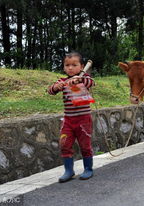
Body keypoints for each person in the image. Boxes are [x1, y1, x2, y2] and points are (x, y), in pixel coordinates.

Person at [48, 51, 95, 183]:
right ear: (63, 67)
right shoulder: (63, 81)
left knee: (85, 146)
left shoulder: (84, 79)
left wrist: (80, 79)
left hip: (84, 120)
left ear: (81, 66)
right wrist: (56, 87)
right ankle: (69, 170)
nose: (70, 68)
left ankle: (88, 169)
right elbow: (50, 91)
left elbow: (92, 83)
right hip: (68, 120)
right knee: (65, 144)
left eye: (74, 65)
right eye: (67, 65)